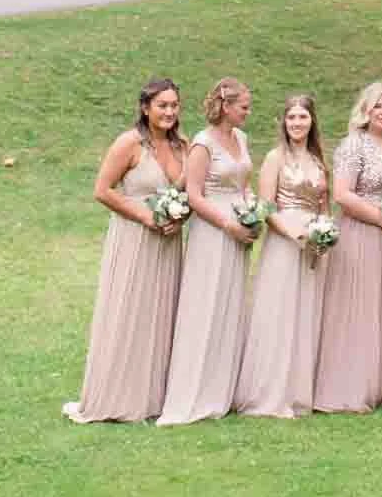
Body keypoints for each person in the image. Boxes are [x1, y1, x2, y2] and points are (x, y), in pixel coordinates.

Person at [63, 75, 187, 423]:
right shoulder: (129, 144)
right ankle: (117, 394)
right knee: (129, 310)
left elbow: (189, 190)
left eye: (174, 105)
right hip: (134, 238)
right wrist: (146, 217)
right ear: (146, 108)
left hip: (169, 242)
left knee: (162, 311)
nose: (169, 112)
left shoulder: (183, 146)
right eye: (162, 105)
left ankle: (154, 396)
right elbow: (103, 190)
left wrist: (181, 215)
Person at [157, 76, 257, 425]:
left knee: (230, 305)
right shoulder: (202, 143)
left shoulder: (241, 138)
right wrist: (228, 225)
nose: (248, 112)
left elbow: (244, 184)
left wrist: (251, 214)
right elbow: (195, 196)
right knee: (205, 305)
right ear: (226, 106)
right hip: (213, 232)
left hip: (239, 228)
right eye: (244, 106)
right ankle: (192, 393)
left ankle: (221, 390)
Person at [314, 80, 382, 413]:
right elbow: (343, 195)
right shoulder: (353, 145)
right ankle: (350, 384)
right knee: (358, 306)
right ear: (366, 110)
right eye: (379, 106)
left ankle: (381, 383)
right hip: (361, 233)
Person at [236, 91, 330, 418]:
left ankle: (297, 391)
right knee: (278, 310)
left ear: (312, 120)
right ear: (283, 121)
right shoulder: (276, 158)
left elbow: (324, 205)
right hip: (284, 240)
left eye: (302, 116)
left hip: (312, 244)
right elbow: (266, 206)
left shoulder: (319, 162)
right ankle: (267, 392)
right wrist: (292, 232)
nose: (296, 123)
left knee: (305, 311)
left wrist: (323, 232)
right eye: (291, 117)